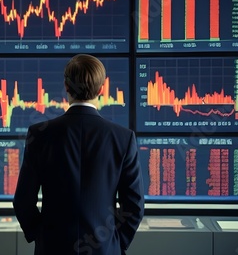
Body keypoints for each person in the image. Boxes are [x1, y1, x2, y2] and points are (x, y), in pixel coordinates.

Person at [13, 54, 144, 255]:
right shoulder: (123, 138)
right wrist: (115, 243)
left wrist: (40, 235)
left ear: (66, 86)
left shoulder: (40, 135)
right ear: (101, 89)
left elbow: (23, 200)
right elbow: (134, 206)